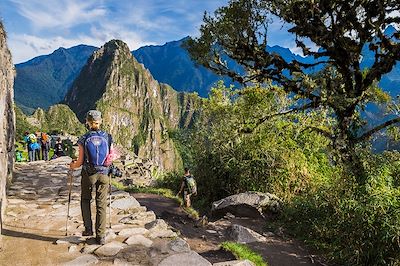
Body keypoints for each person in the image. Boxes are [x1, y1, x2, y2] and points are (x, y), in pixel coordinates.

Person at [70, 110, 113, 245]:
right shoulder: (108, 137)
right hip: (104, 174)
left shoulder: (83, 138)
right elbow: (110, 157)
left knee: (85, 199)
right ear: (100, 121)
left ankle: (88, 229)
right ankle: (101, 236)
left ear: (87, 122)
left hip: (89, 174)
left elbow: (80, 161)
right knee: (101, 204)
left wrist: (72, 166)